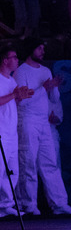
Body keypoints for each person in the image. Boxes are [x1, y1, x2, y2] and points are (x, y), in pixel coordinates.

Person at [15, 39, 71, 215]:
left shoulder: (45, 70)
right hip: (28, 121)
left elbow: (54, 99)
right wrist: (44, 88)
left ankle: (59, 204)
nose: (43, 51)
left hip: (43, 123)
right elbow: (23, 101)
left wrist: (53, 88)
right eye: (39, 48)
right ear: (30, 49)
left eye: (43, 48)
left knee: (50, 162)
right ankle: (29, 205)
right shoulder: (21, 72)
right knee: (29, 163)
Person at [0, 48, 31, 217]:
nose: (17, 60)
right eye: (14, 57)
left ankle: (6, 204)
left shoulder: (11, 80)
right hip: (1, 133)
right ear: (5, 61)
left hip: (12, 133)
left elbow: (12, 102)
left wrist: (20, 97)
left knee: (13, 171)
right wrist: (14, 94)